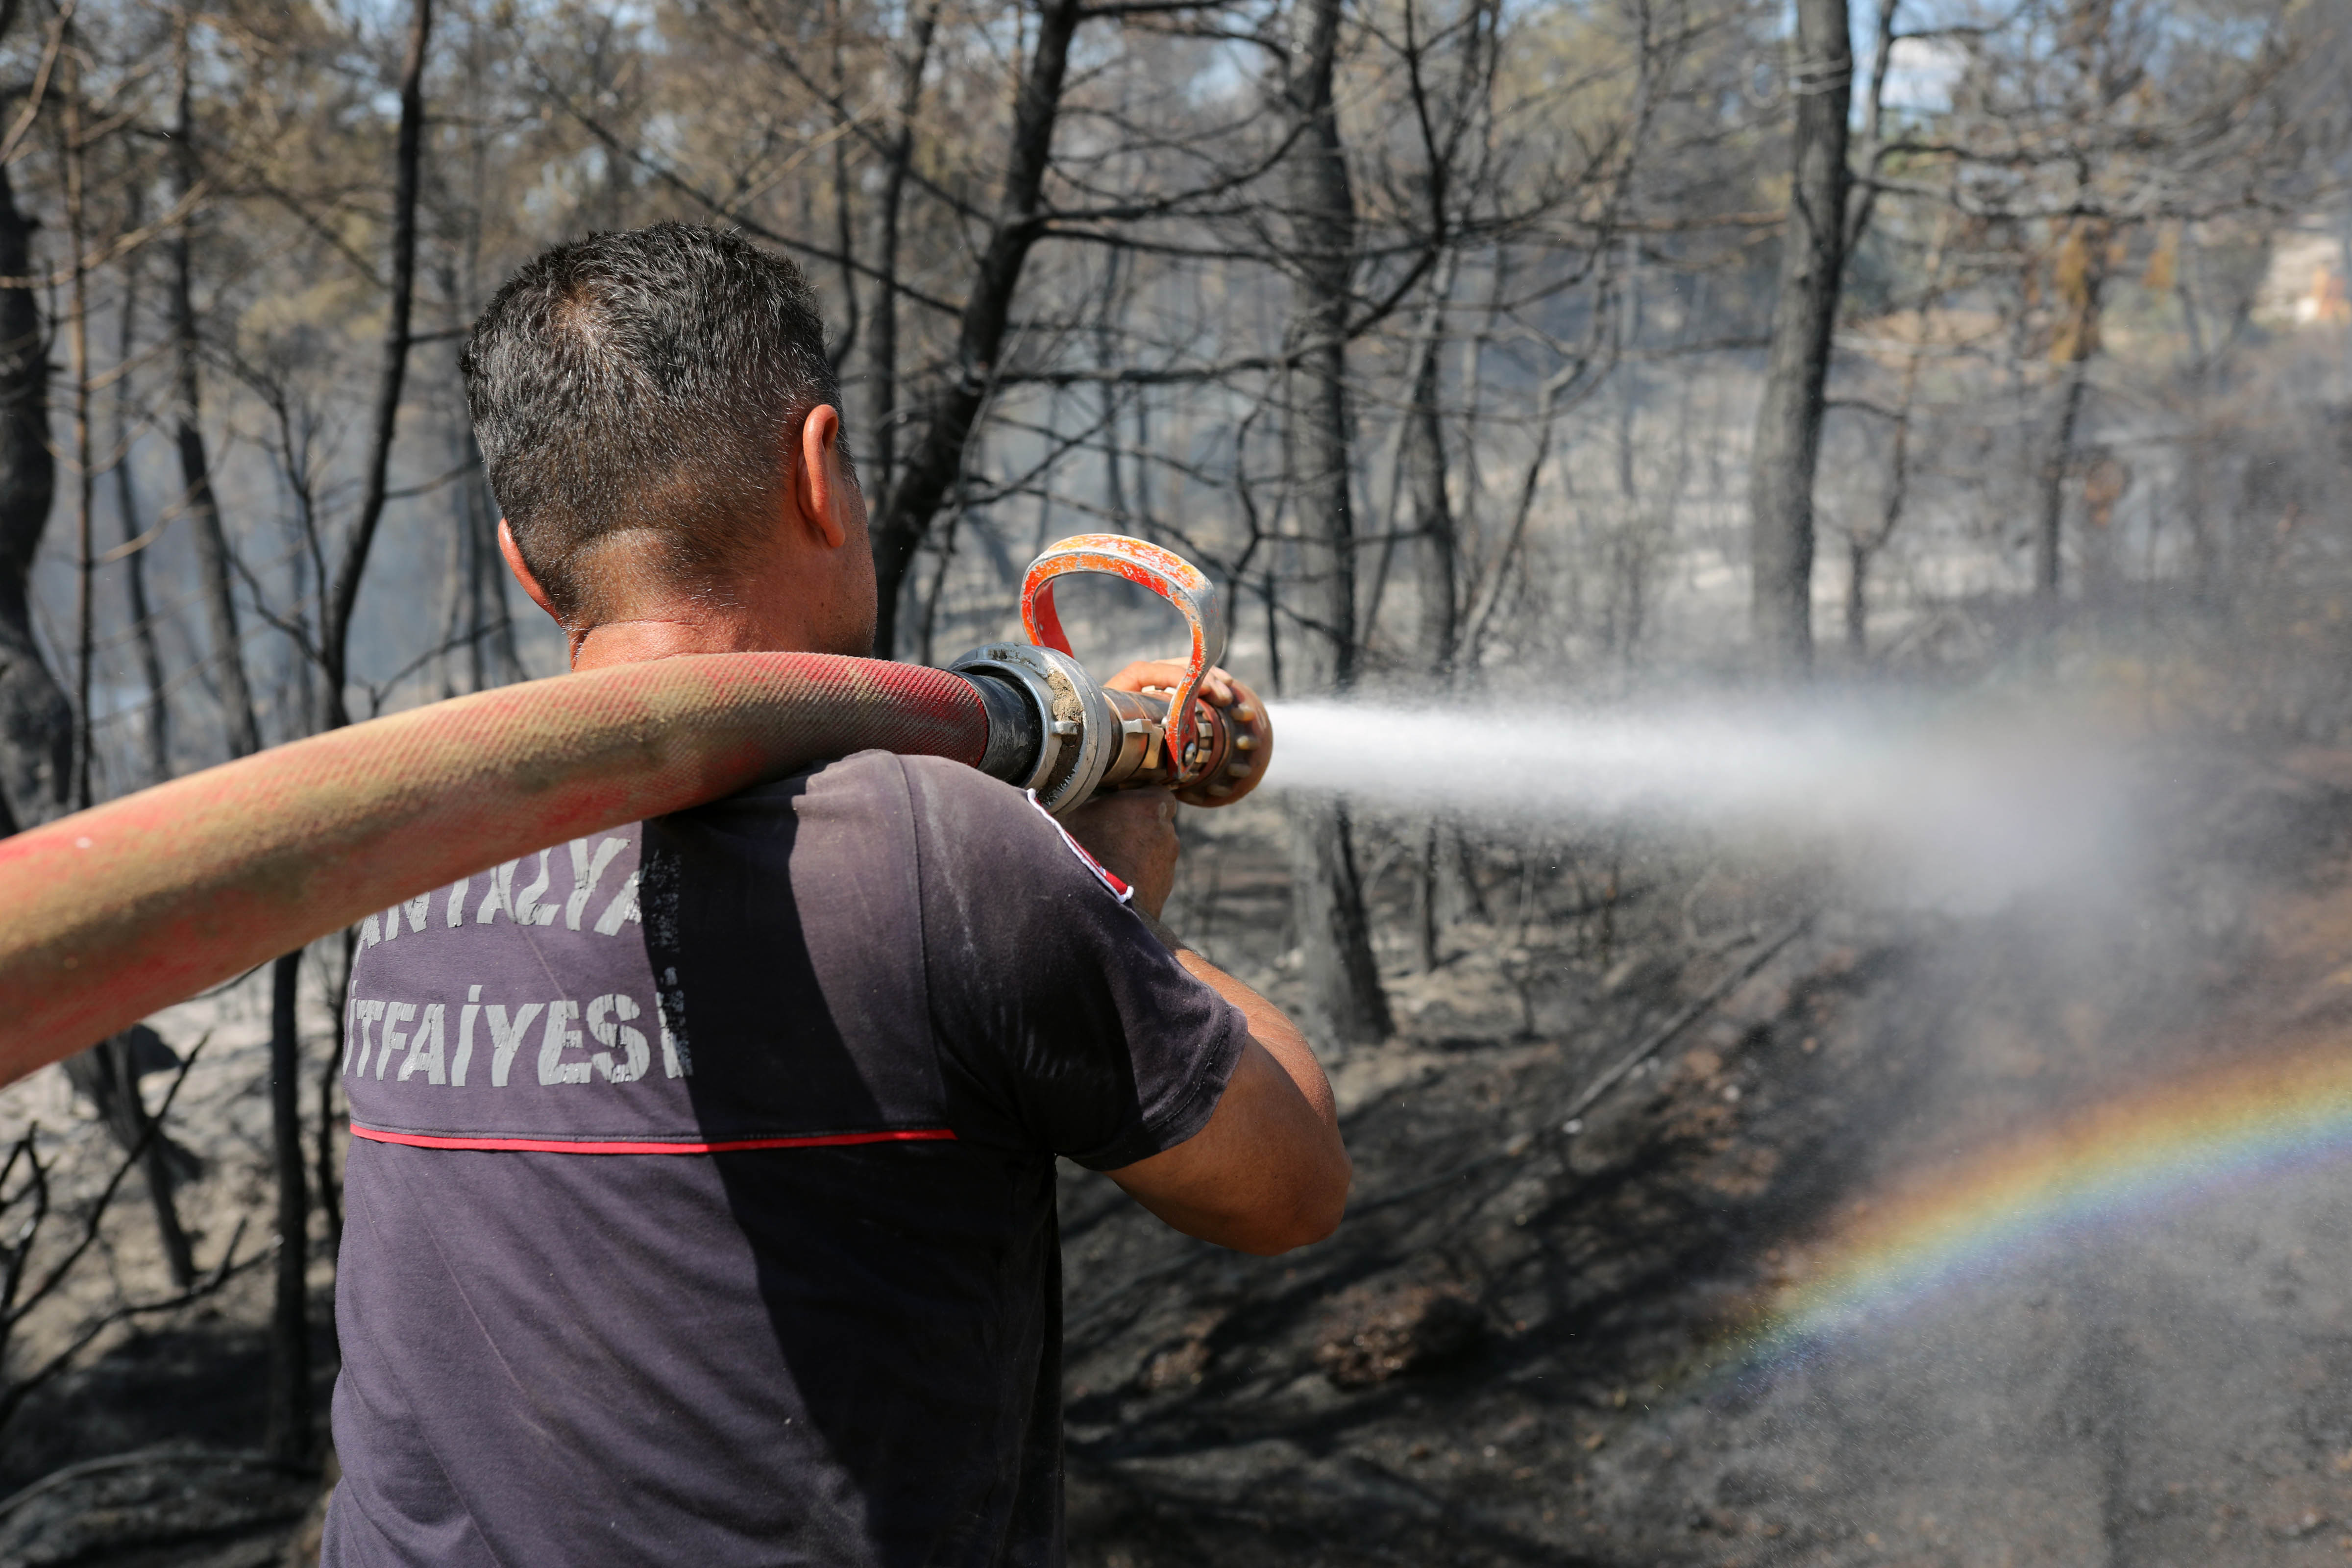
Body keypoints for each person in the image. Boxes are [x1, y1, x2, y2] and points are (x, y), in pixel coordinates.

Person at [321, 222, 1348, 1567]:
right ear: (822, 476)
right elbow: (1290, 1184)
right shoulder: (945, 857)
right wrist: (1106, 899)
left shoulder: (418, 847)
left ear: (526, 561)